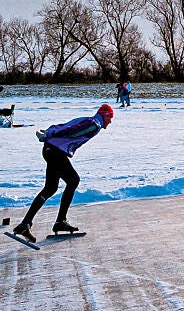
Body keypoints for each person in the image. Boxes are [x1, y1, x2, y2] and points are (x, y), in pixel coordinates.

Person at [15, 103, 114, 242]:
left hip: (51, 150)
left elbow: (67, 125)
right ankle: (52, 221)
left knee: (51, 188)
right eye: (110, 118)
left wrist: (50, 132)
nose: (110, 122)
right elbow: (72, 131)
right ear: (106, 115)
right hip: (56, 152)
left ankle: (29, 223)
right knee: (72, 181)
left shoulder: (88, 119)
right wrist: (51, 134)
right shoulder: (94, 124)